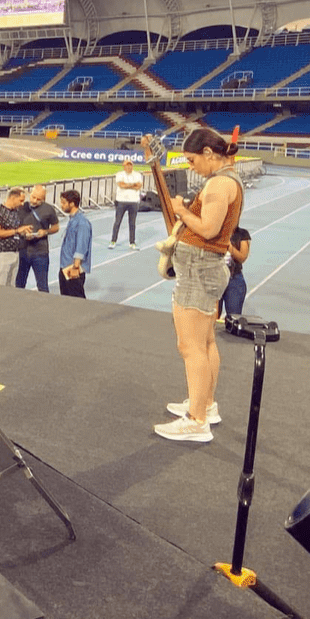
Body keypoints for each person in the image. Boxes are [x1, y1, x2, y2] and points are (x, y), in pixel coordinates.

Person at [156, 125, 244, 443]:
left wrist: (181, 210)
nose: (190, 167)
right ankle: (204, 404)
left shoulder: (220, 184)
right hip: (204, 268)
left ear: (208, 153)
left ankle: (196, 420)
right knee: (205, 343)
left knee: (190, 346)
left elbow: (208, 229)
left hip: (199, 269)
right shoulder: (224, 180)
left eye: (192, 160)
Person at [16, 183, 59, 291]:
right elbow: (15, 227)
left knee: (42, 286)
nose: (34, 200)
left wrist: (45, 232)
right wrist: (22, 232)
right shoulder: (22, 207)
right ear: (30, 194)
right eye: (33, 197)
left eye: (38, 199)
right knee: (19, 284)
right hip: (23, 251)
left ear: (43, 199)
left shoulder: (49, 209)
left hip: (40, 252)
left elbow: (56, 227)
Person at [0, 186, 30, 286]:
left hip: (15, 253)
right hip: (3, 254)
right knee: (0, 286)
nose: (22, 204)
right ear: (12, 198)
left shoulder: (16, 212)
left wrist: (23, 233)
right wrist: (16, 231)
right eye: (20, 200)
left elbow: (15, 231)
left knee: (11, 287)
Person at [57, 189, 92, 298]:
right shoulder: (73, 220)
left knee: (77, 302)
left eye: (63, 203)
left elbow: (81, 246)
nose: (61, 205)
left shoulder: (82, 223)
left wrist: (75, 267)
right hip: (65, 267)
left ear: (72, 204)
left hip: (72, 269)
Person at [109, 158, 144, 250]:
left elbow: (139, 186)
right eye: (127, 165)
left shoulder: (137, 175)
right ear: (123, 166)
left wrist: (128, 185)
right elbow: (121, 185)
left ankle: (132, 242)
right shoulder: (120, 174)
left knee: (132, 223)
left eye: (130, 165)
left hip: (134, 201)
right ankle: (113, 240)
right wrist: (133, 185)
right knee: (117, 222)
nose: (129, 167)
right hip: (121, 201)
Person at [221, 225, 251, 320]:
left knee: (234, 318)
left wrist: (229, 247)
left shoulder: (242, 234)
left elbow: (242, 257)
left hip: (234, 279)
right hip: (214, 277)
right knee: (210, 316)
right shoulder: (214, 231)